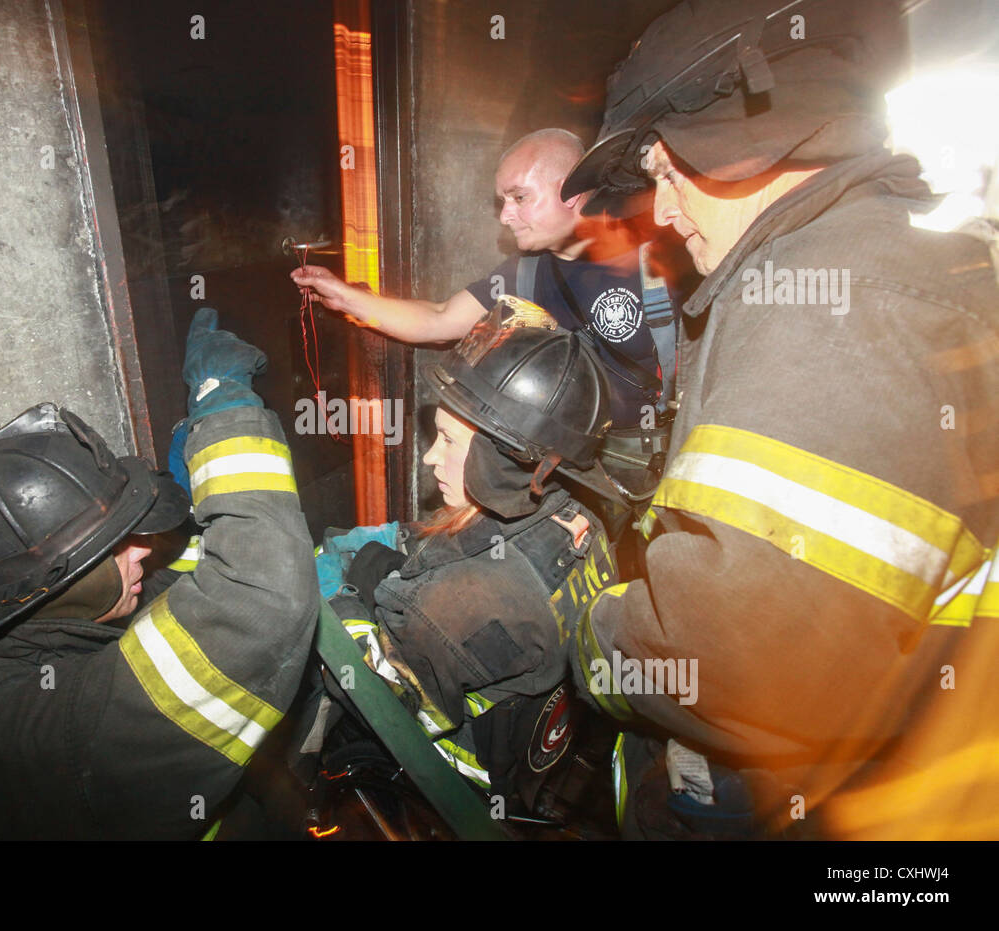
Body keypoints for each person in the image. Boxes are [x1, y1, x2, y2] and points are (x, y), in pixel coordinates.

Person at [557, 0, 999, 839]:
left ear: (730, 141)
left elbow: (739, 662)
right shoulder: (895, 258)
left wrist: (588, 629)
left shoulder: (826, 305)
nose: (663, 213)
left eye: (662, 172)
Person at [0, 308, 319, 840]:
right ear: (48, 590)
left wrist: (199, 513)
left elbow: (158, 598)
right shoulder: (66, 737)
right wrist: (222, 401)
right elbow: (263, 599)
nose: (144, 550)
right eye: (118, 545)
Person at [308, 298, 624, 817]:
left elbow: (373, 700)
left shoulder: (455, 606)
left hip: (467, 780)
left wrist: (342, 598)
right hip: (544, 753)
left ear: (504, 460)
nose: (430, 456)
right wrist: (403, 544)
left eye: (449, 441)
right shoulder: (578, 512)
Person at [291, 128, 687, 432]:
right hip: (582, 466)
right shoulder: (525, 272)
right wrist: (344, 298)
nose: (505, 216)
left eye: (519, 198)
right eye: (502, 202)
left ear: (574, 191)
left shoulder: (661, 254)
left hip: (657, 458)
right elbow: (439, 319)